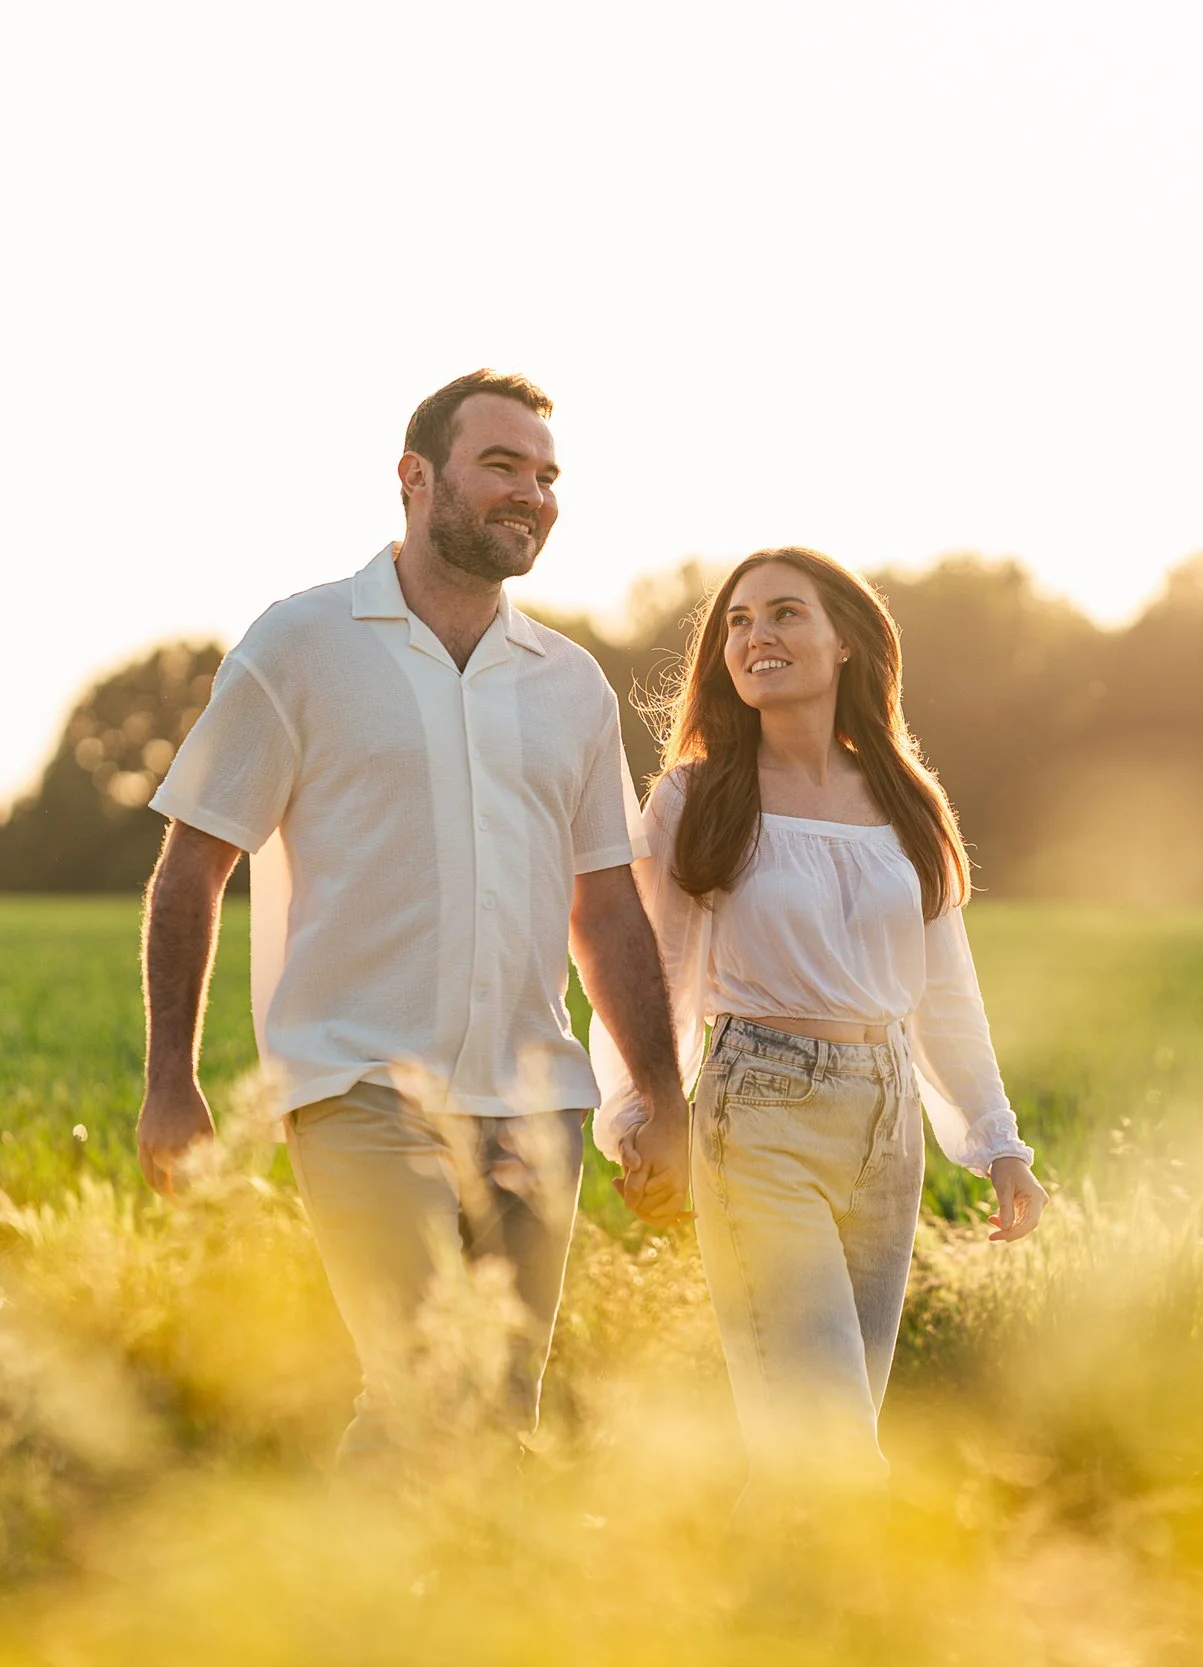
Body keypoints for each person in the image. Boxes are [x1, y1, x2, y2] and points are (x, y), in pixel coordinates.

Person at [134, 369, 690, 1457]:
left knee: (499, 1411)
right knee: (425, 1382)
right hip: (359, 1085)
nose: (530, 492)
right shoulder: (300, 644)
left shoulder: (569, 681)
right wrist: (170, 1080)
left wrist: (660, 1095)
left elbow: (607, 905)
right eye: (501, 466)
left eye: (545, 475)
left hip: (535, 1102)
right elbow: (192, 861)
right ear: (414, 476)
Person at [591, 546, 1047, 1501]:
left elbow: (944, 990)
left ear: (847, 642)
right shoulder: (694, 797)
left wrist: (996, 1138)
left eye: (785, 613)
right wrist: (641, 1115)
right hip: (758, 1114)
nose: (757, 636)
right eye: (739, 621)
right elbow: (653, 969)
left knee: (826, 1436)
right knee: (826, 1438)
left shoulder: (902, 798)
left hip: (887, 1129)